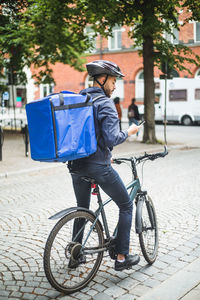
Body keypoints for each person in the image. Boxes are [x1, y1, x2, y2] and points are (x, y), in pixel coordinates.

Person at [68, 60, 141, 271]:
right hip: (97, 166)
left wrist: (104, 153)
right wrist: (129, 132)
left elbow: (91, 135)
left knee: (82, 210)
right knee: (127, 205)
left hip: (75, 165)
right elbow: (111, 138)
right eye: (113, 80)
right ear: (102, 79)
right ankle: (121, 258)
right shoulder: (105, 103)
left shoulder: (80, 99)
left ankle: (75, 255)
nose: (115, 85)